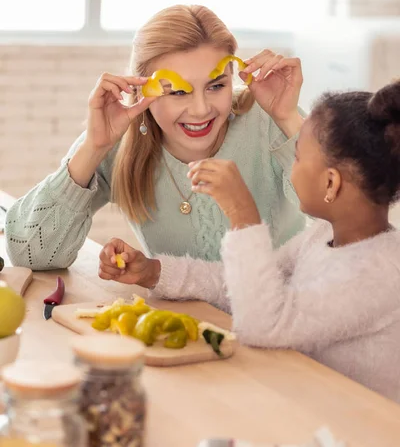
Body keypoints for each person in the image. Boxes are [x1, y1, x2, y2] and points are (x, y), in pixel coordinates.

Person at [102, 80, 400, 403]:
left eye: (297, 157)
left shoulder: (379, 273)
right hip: (309, 405)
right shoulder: (324, 235)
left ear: (331, 183)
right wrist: (154, 272)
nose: (292, 166)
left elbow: (263, 325)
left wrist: (242, 214)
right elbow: (244, 285)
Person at [5, 5, 305, 271]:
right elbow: (31, 253)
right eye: (177, 92)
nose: (200, 110)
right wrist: (93, 148)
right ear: (140, 90)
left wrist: (289, 120)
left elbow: (340, 220)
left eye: (216, 86)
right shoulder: (120, 141)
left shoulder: (268, 120)